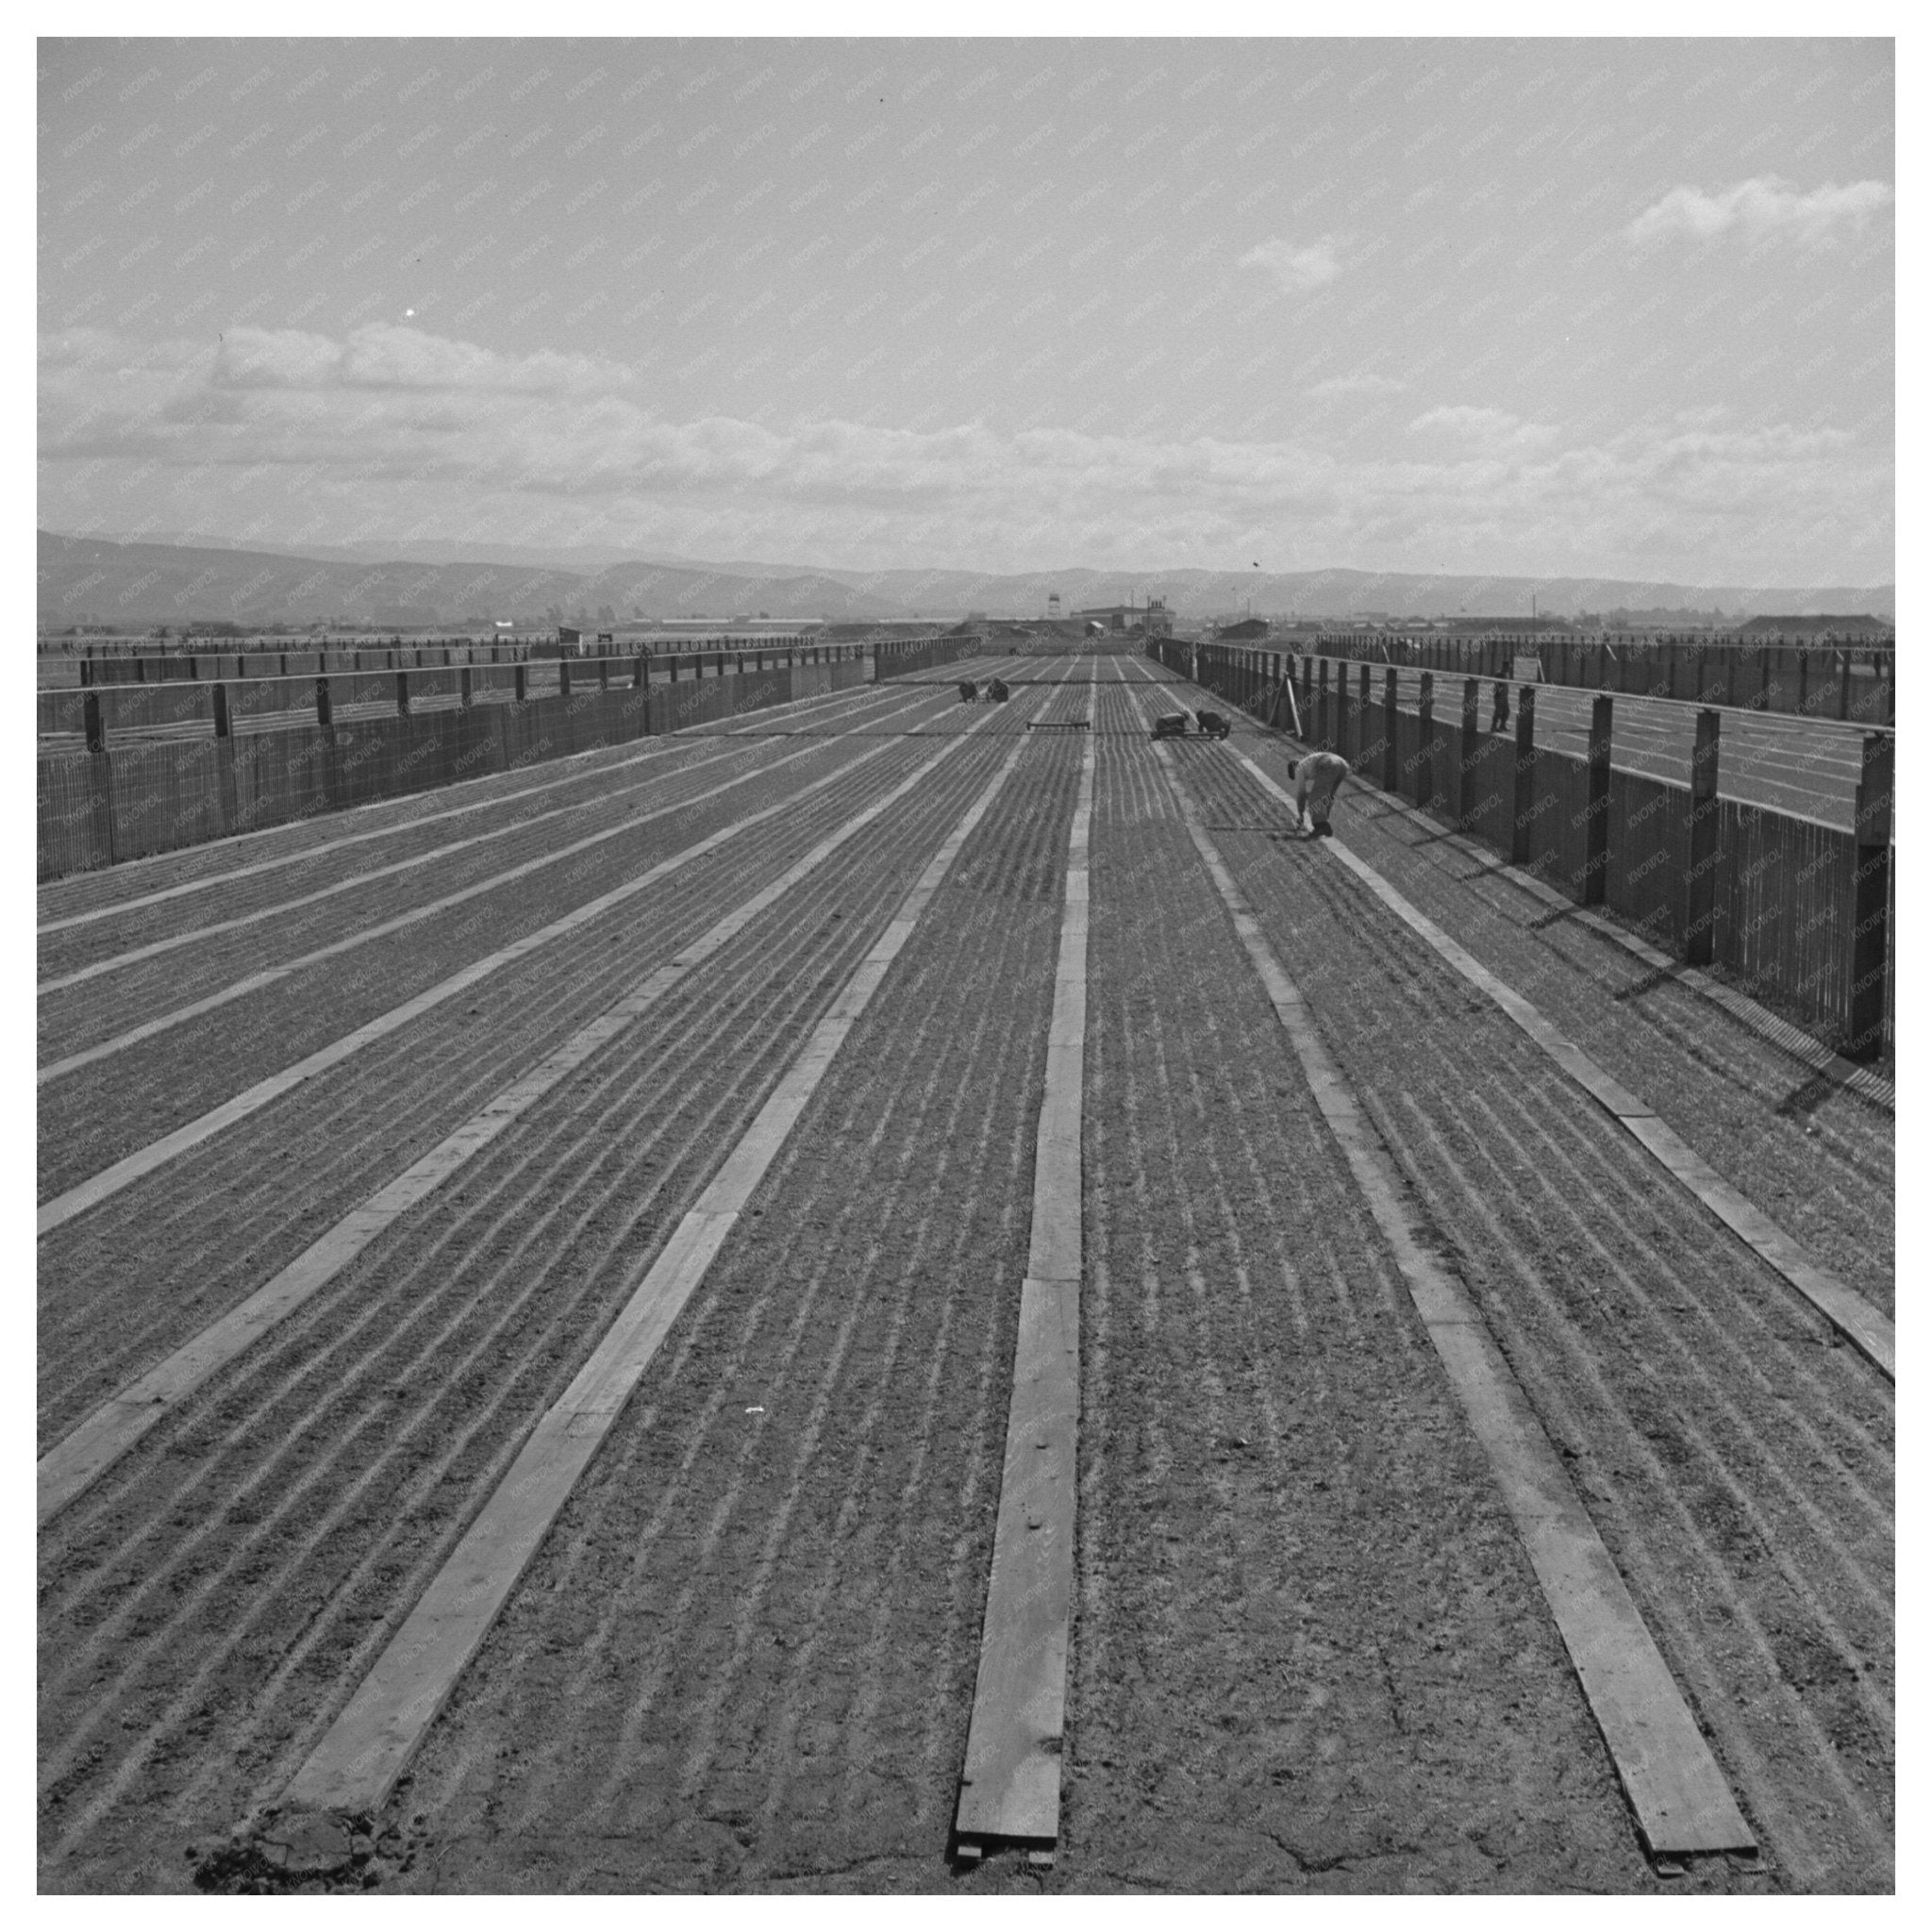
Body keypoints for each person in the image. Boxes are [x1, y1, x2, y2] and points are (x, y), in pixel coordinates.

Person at [1287, 750, 1351, 837]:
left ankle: (1320, 827)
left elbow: (1301, 793)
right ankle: (1325, 825)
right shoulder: (1309, 762)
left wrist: (1301, 814)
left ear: (1294, 768)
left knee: (1315, 796)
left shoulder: (1299, 768)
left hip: (1328, 764)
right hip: (1342, 765)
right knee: (1328, 796)